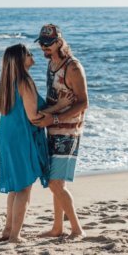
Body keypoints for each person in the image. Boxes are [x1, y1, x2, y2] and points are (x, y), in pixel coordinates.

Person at [0, 43, 75, 243]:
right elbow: (32, 117)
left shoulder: (8, 81)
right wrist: (59, 106)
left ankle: (7, 230)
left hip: (7, 134)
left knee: (16, 186)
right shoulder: (25, 81)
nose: (32, 55)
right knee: (23, 187)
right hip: (21, 136)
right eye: (28, 53)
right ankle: (15, 236)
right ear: (19, 60)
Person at [32, 24, 89, 239]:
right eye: (41, 43)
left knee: (56, 183)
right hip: (53, 130)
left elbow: (83, 103)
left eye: (47, 44)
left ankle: (77, 229)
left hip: (69, 131)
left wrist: (54, 117)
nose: (43, 48)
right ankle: (58, 228)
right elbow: (53, 98)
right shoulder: (51, 65)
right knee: (56, 183)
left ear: (59, 42)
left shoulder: (72, 67)